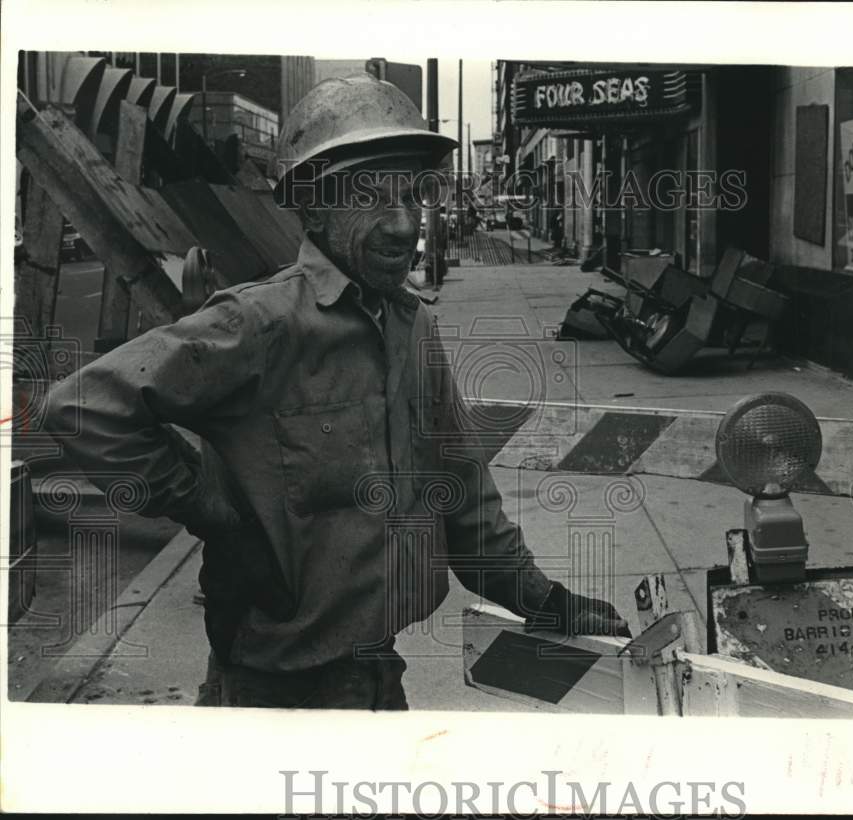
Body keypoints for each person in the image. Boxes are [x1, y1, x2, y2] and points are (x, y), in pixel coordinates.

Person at [42, 75, 630, 710]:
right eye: (371, 198)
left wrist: (542, 599)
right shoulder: (259, 323)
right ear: (314, 206)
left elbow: (460, 491)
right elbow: (82, 408)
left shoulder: (412, 327)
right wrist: (209, 506)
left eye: (411, 195)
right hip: (269, 695)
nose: (403, 224)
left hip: (378, 678)